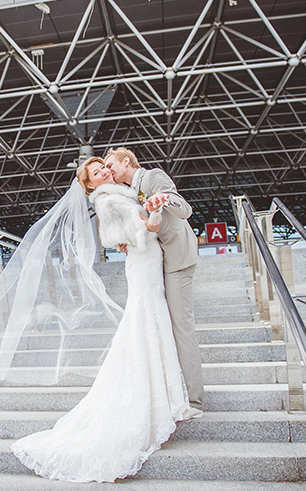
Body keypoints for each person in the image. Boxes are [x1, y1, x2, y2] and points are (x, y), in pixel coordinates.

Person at [0, 157, 189, 483]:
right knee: (145, 320)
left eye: (104, 168)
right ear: (89, 185)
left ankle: (163, 389)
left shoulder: (117, 194)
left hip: (146, 263)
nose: (104, 172)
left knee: (145, 323)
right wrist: (153, 212)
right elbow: (139, 233)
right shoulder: (110, 199)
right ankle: (159, 393)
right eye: (97, 172)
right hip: (144, 263)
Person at [104, 147, 203, 419]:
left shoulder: (153, 177)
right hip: (155, 263)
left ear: (127, 161)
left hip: (177, 259)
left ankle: (195, 402)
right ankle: (173, 392)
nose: (109, 170)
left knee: (181, 327)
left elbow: (184, 209)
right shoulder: (126, 192)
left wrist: (162, 200)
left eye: (111, 164)